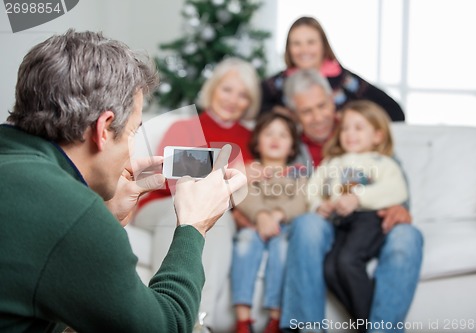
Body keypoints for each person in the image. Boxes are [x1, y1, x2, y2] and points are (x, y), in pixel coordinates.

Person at [0, 30, 246, 333]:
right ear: (104, 128)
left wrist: (101, 215)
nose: (132, 150)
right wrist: (193, 228)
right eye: (133, 133)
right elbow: (165, 326)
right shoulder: (71, 212)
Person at [280, 69, 423, 333]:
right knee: (309, 227)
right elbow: (305, 193)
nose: (318, 117)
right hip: (331, 222)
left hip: (370, 219)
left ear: (332, 100)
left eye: (322, 105)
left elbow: (393, 181)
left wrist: (396, 207)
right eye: (307, 111)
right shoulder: (290, 147)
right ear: (295, 116)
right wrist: (316, 205)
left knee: (408, 236)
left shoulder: (359, 128)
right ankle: (307, 328)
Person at [134, 56, 260, 329]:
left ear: (250, 103)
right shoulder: (185, 126)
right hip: (164, 204)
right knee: (182, 210)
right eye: (227, 89)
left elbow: (254, 192)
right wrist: (232, 170)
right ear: (213, 89)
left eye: (243, 95)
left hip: (223, 212)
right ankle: (165, 314)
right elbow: (168, 179)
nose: (232, 100)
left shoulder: (253, 139)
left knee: (220, 217)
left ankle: (199, 323)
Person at [307, 100, 408, 332]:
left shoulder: (383, 163)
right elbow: (313, 189)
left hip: (368, 220)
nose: (350, 134)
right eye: (345, 128)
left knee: (347, 261)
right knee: (331, 268)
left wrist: (358, 198)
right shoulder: (332, 162)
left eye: (359, 128)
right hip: (340, 223)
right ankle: (370, 325)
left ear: (378, 135)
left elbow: (396, 190)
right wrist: (318, 205)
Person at [231, 112, 307, 333]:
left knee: (283, 246)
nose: (275, 139)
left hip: (285, 226)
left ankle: (276, 318)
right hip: (254, 226)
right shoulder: (250, 169)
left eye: (283, 135)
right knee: (245, 240)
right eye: (269, 133)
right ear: (257, 142)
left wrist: (277, 216)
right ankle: (243, 320)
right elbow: (243, 195)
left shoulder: (298, 173)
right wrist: (262, 215)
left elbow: (302, 201)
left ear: (292, 147)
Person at [260, 16, 405, 122]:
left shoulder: (346, 81)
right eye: (296, 43)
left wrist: (351, 117)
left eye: (311, 42)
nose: (304, 50)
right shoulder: (280, 82)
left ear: (323, 45)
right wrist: (278, 112)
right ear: (289, 49)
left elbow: (395, 112)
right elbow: (249, 105)